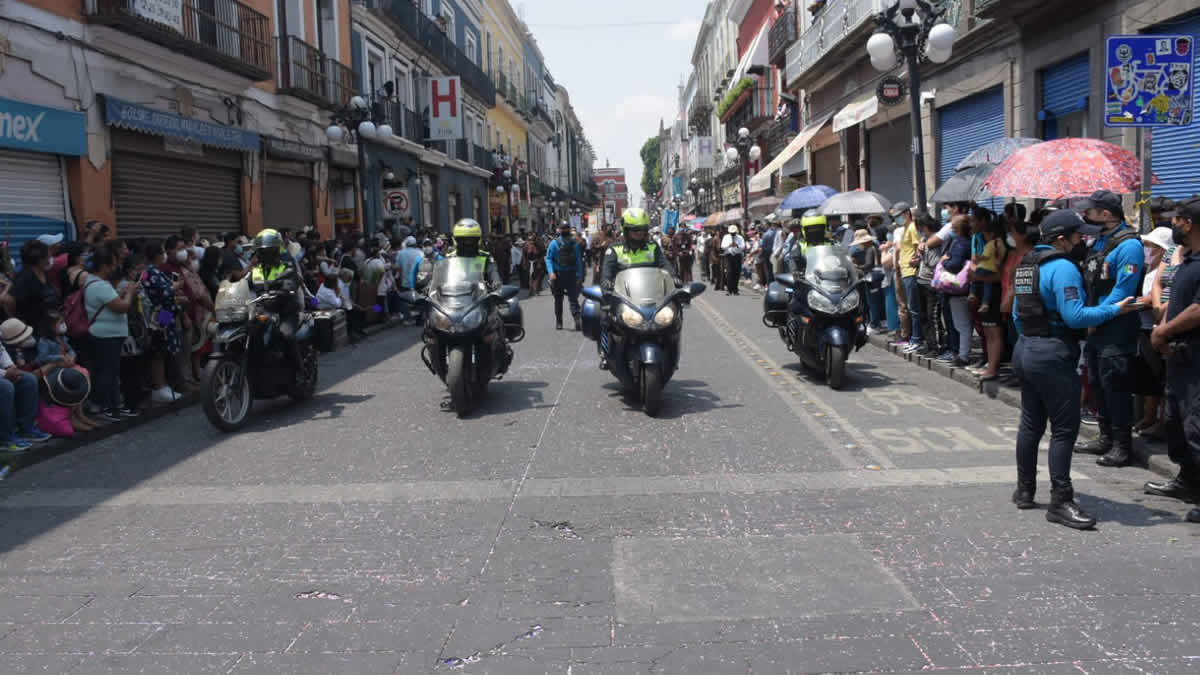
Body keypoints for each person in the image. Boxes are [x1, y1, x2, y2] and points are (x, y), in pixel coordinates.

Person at [1011, 209, 1137, 529]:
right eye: (1079, 235)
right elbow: (1075, 317)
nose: (1084, 240)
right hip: (1052, 354)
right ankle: (1061, 501)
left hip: (1025, 348)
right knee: (1064, 430)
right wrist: (1114, 309)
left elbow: (1015, 313)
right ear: (1062, 239)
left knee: (1031, 423)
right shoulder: (1063, 267)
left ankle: (1025, 490)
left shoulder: (1026, 264)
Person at [1072, 190, 1147, 468]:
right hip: (1095, 322)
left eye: (1089, 212)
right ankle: (1105, 436)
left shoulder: (1129, 246)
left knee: (1115, 385)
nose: (1085, 216)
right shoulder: (1100, 240)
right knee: (1098, 383)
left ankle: (1121, 445)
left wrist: (1096, 318)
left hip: (1115, 324)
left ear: (1106, 214)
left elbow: (1123, 292)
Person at [1146, 197, 1200, 522]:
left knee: (1196, 427)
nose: (1173, 226)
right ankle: (1188, 481)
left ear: (1189, 224)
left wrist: (1162, 332)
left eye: (1176, 221)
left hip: (1195, 361)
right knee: (1178, 425)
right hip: (1179, 359)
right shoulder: (1189, 259)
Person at [597, 208, 676, 369]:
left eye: (642, 230)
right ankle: (605, 353)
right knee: (605, 317)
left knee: (674, 316)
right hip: (624, 297)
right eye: (635, 231)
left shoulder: (652, 247)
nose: (639, 234)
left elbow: (664, 265)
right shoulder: (614, 249)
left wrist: (674, 277)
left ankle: (672, 351)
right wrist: (606, 283)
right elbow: (607, 272)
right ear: (626, 231)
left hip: (652, 296)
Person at [546, 222, 584, 330]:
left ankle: (577, 319)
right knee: (558, 300)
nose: (565, 230)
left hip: (571, 275)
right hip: (558, 276)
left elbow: (578, 261)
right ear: (559, 230)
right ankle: (559, 321)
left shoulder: (574, 244)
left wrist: (579, 276)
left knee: (573, 299)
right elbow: (548, 258)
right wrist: (551, 272)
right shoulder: (554, 243)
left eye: (566, 228)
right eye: (563, 228)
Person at [449, 219, 502, 290]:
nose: (467, 243)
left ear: (478, 240)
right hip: (453, 296)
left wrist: (496, 281)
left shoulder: (484, 257)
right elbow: (440, 277)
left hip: (481, 296)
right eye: (463, 240)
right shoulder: (450, 258)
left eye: (471, 240)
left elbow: (493, 271)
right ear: (456, 240)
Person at [721, 225, 745, 295]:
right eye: (731, 233)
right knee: (729, 272)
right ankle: (729, 289)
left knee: (737, 273)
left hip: (737, 256)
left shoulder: (740, 238)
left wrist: (737, 245)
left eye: (734, 233)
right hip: (729, 256)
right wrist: (729, 245)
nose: (732, 234)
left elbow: (743, 247)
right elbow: (722, 246)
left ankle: (735, 289)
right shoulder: (726, 237)